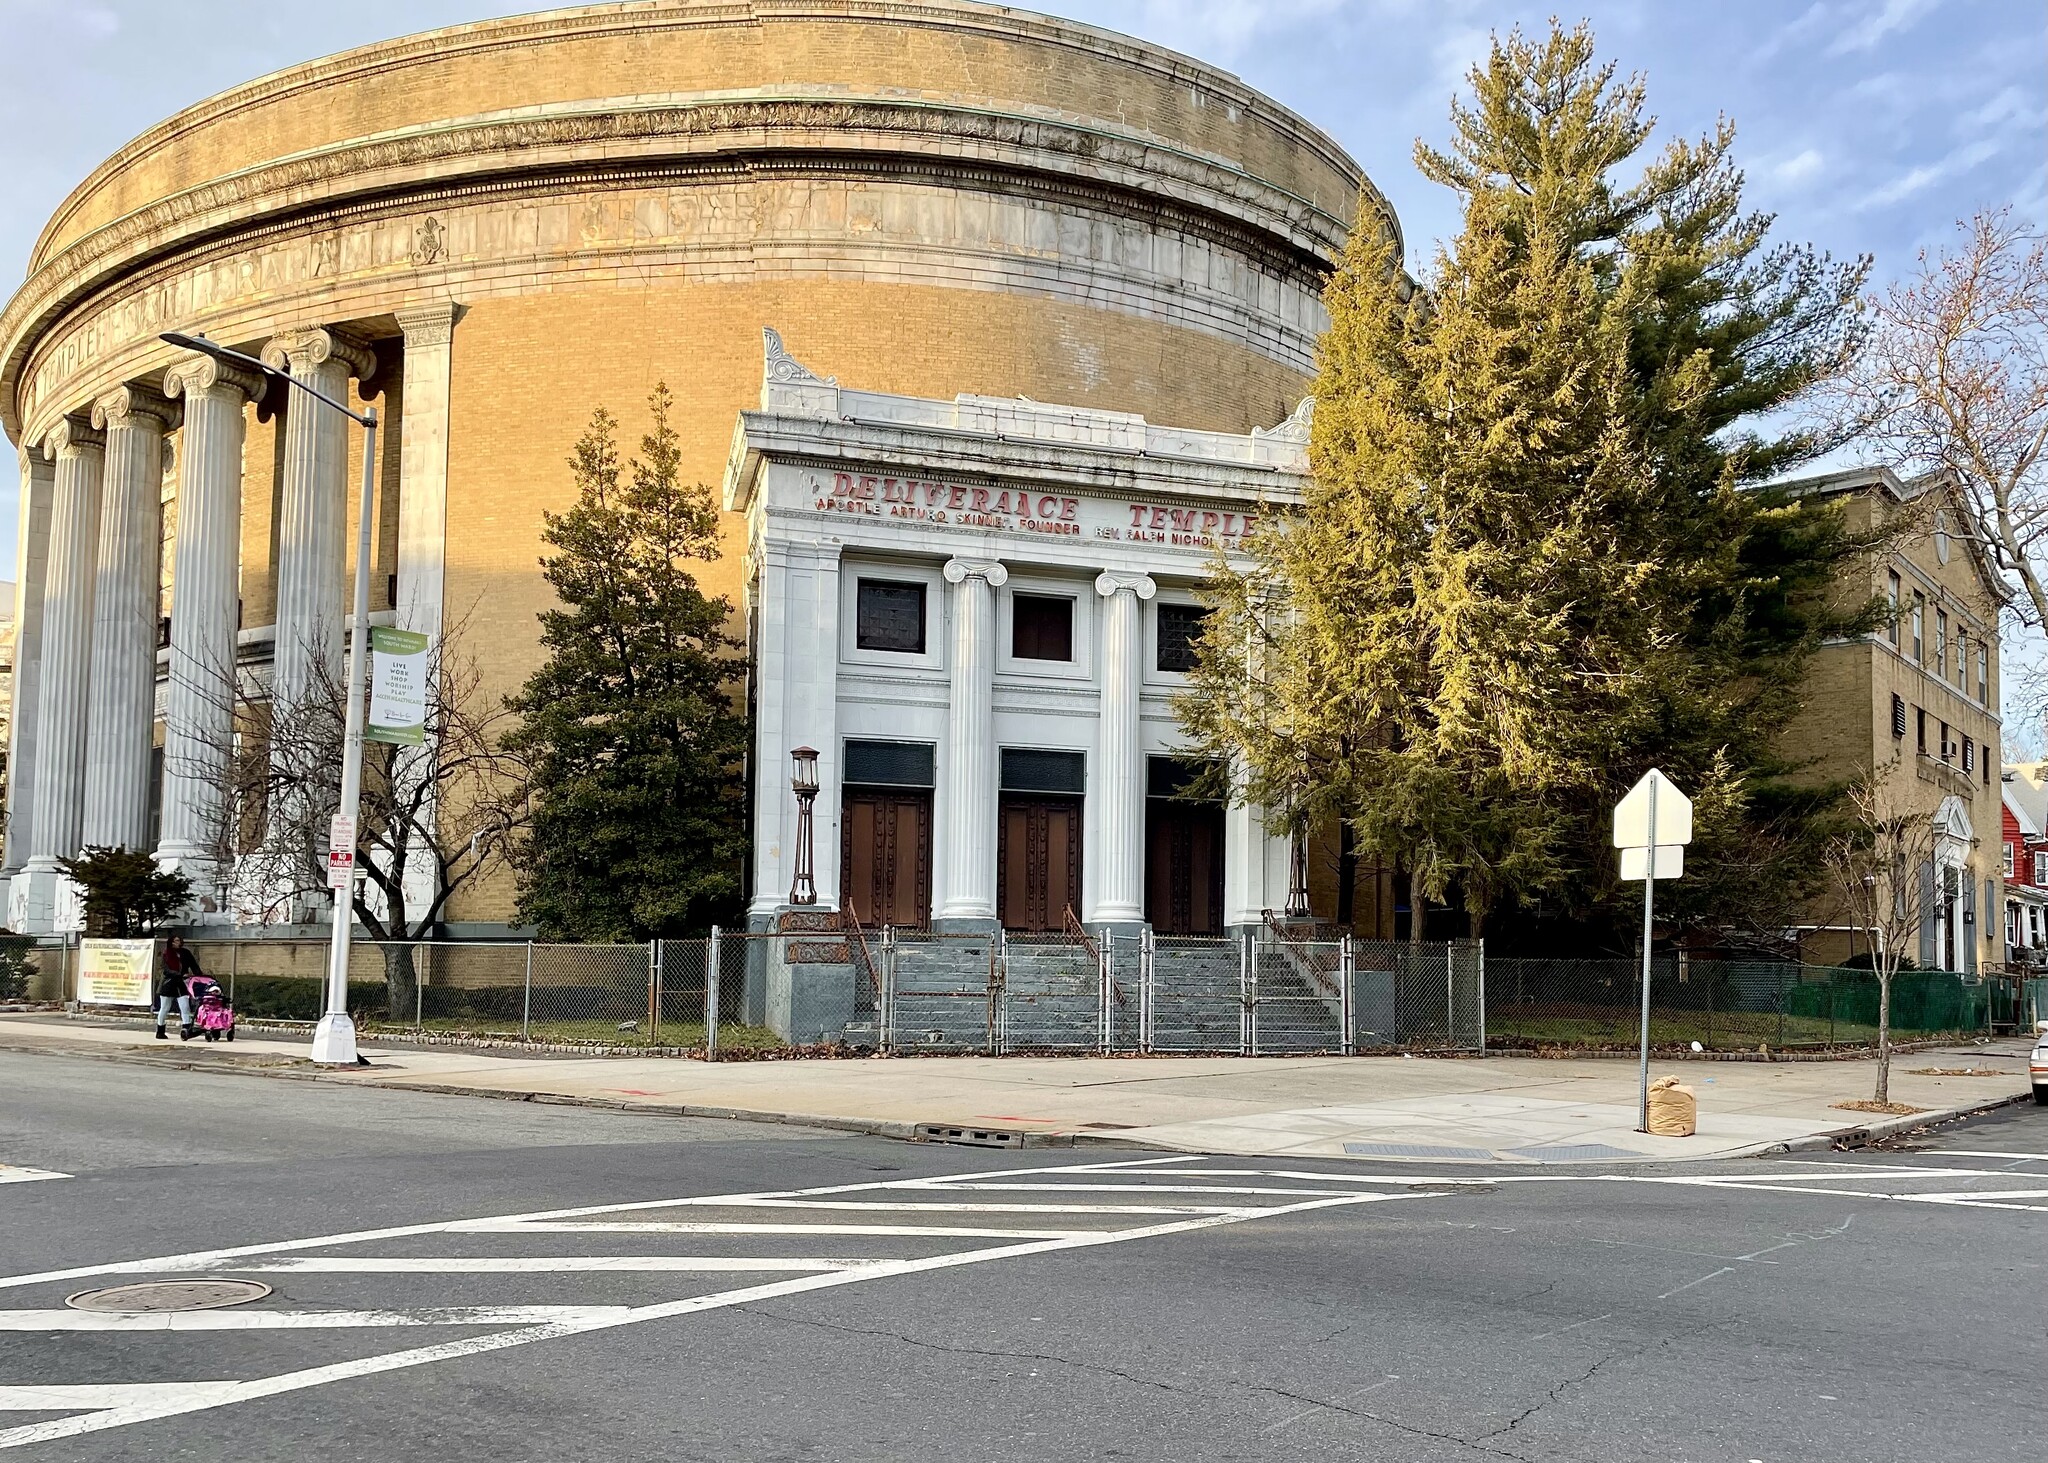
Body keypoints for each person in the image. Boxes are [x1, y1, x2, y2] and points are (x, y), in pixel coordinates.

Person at [155, 937, 202, 1041]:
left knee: (185, 1007)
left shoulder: (186, 953)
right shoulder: (166, 953)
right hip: (168, 983)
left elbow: (194, 965)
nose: (178, 942)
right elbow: (165, 970)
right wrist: (179, 974)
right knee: (165, 1008)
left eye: (179, 940)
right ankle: (160, 1031)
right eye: (176, 941)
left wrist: (199, 976)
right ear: (171, 942)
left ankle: (186, 1030)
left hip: (181, 984)